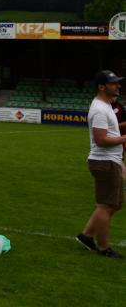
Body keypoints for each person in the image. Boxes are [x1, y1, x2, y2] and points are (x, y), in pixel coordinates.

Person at [76, 70, 126, 258]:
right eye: (114, 83)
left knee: (116, 204)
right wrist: (124, 138)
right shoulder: (99, 109)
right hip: (104, 162)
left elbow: (108, 132)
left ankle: (87, 235)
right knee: (105, 205)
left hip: (110, 161)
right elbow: (101, 140)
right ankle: (103, 248)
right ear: (102, 87)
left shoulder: (106, 105)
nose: (118, 86)